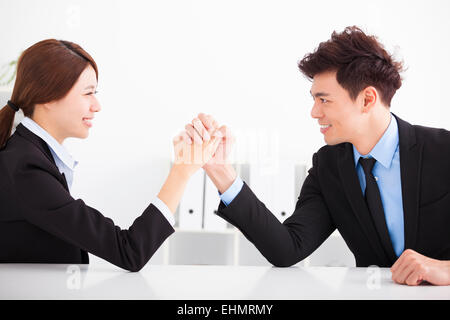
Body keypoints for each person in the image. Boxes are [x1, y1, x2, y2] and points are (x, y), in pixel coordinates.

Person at [184, 27, 450, 286]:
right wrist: (221, 171)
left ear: (367, 99)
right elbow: (288, 248)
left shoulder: (443, 151)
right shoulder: (329, 166)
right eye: (314, 99)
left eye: (324, 100)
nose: (314, 112)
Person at [0, 39, 222, 272]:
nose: (97, 106)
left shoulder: (29, 154)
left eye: (95, 93)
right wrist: (182, 171)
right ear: (47, 97)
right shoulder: (26, 168)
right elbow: (129, 251)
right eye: (87, 94)